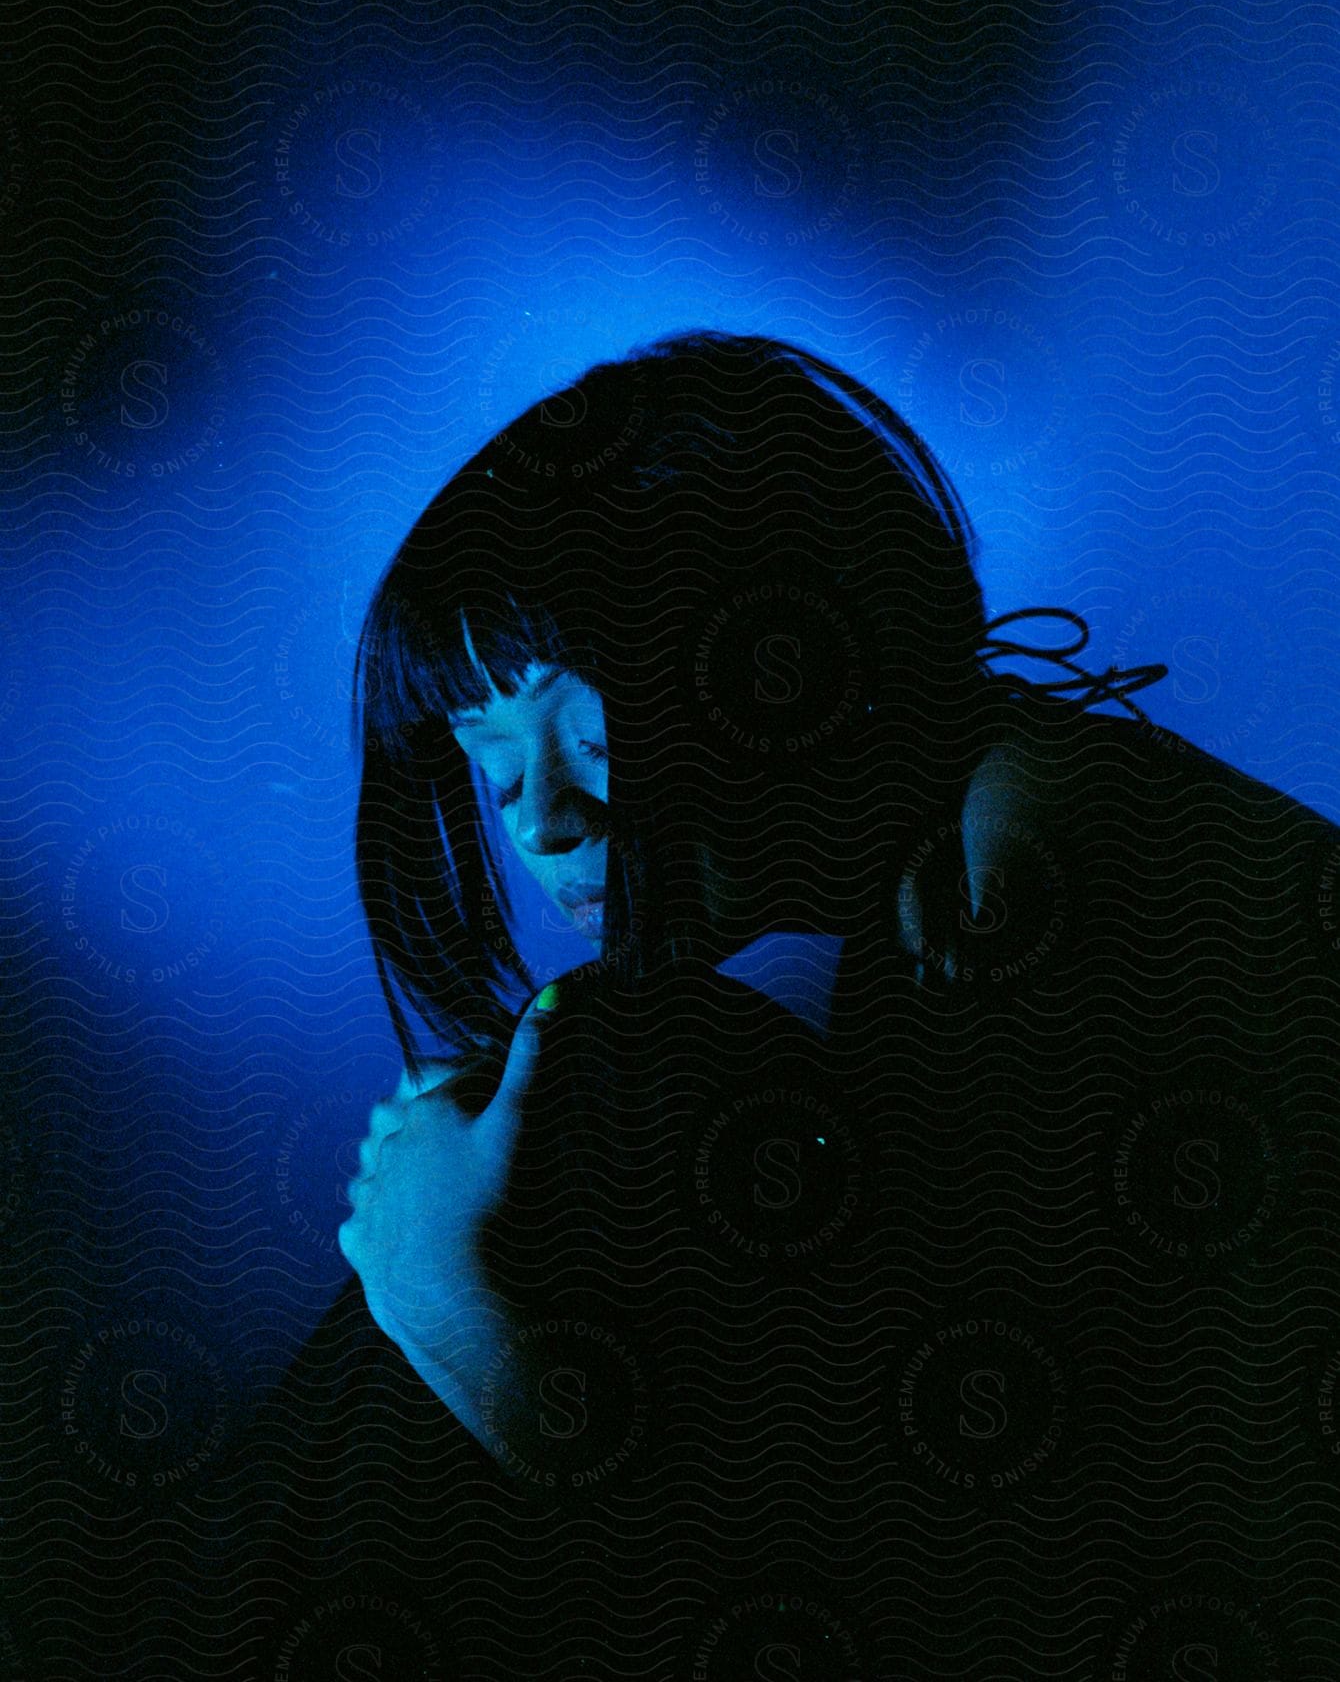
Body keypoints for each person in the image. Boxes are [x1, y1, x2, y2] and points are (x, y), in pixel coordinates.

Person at [206, 331, 1340, 1678]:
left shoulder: (1074, 902)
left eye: (586, 731)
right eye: (492, 769)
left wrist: (450, 1305)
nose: (548, 825)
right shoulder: (994, 860)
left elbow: (1013, 1591)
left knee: (609, 1074)